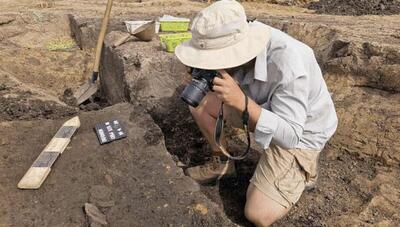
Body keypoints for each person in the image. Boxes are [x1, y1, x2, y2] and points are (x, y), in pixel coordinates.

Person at [175, 0, 338, 226]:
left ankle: (304, 170)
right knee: (198, 102)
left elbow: (291, 135)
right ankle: (222, 162)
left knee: (258, 213)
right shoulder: (237, 37)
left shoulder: (289, 64)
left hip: (302, 132)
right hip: (260, 108)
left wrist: (243, 103)